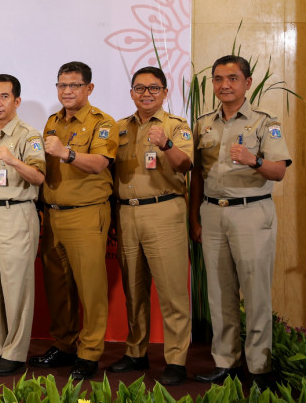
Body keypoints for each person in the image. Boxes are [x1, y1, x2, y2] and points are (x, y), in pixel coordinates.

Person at [190, 55, 291, 388]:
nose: (225, 85)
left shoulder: (265, 122)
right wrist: (195, 218)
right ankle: (226, 363)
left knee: (256, 292)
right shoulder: (203, 124)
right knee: (219, 294)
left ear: (247, 83)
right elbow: (197, 176)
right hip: (212, 213)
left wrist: (254, 160)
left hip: (251, 212)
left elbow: (279, 171)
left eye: (232, 79)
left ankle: (259, 368)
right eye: (218, 79)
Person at [31, 61, 118, 380]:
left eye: (74, 85)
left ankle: (90, 352)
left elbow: (100, 163)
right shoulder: (52, 122)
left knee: (90, 288)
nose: (67, 91)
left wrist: (67, 153)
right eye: (62, 85)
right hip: (53, 214)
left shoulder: (102, 122)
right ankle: (64, 344)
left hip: (86, 213)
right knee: (58, 287)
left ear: (89, 88)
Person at [109, 67, 193, 386]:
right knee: (134, 288)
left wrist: (167, 144)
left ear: (165, 92)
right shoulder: (118, 128)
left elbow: (186, 164)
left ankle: (176, 359)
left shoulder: (176, 126)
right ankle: (136, 351)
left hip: (164, 210)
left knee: (172, 291)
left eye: (153, 88)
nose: (146, 94)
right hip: (126, 213)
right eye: (140, 88)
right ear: (131, 93)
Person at [0, 74, 45, 377]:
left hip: (16, 212)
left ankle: (15, 352)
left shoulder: (29, 134)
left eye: (4, 96)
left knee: (17, 287)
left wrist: (14, 161)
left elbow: (38, 177)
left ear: (17, 101)